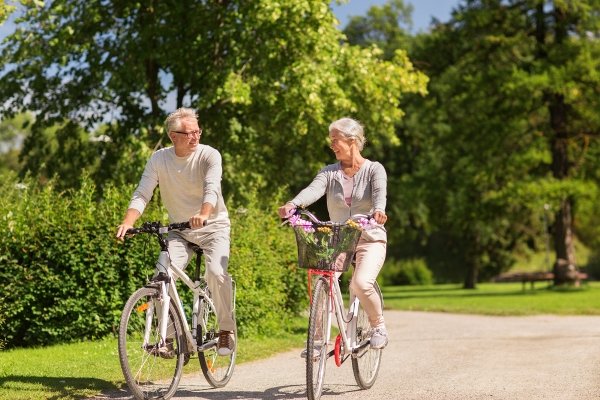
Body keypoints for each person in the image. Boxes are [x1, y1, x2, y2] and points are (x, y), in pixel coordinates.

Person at [116, 107, 235, 356]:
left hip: (213, 227)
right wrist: (128, 221)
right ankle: (167, 339)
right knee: (161, 275)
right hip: (180, 231)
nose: (195, 136)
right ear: (173, 135)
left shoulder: (209, 155)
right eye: (189, 132)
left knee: (215, 272)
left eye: (197, 131)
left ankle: (226, 330)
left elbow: (211, 187)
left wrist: (204, 213)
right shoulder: (159, 159)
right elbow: (143, 192)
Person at [278, 117, 389, 349]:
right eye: (332, 142)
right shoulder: (329, 173)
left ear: (352, 141)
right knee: (324, 280)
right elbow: (313, 190)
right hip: (338, 239)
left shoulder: (374, 170)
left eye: (336, 140)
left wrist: (378, 210)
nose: (333, 146)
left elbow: (380, 195)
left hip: (369, 237)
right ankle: (318, 340)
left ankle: (378, 325)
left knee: (360, 283)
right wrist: (293, 204)